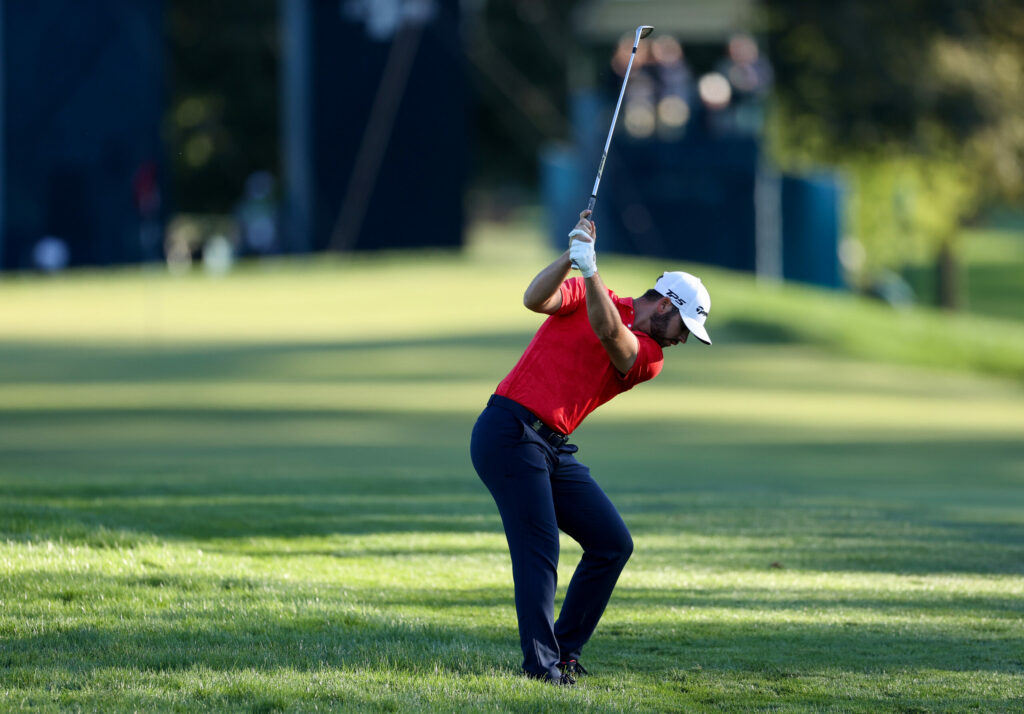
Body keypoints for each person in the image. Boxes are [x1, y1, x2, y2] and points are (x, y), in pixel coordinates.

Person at [470, 209, 712, 685]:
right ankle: (542, 668)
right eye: (684, 325)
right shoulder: (586, 292)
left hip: (549, 446)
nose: (684, 338)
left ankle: (565, 651)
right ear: (664, 304)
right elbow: (534, 298)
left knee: (611, 543)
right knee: (539, 549)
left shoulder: (650, 356)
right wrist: (572, 254)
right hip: (509, 432)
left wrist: (590, 266)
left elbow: (610, 335)